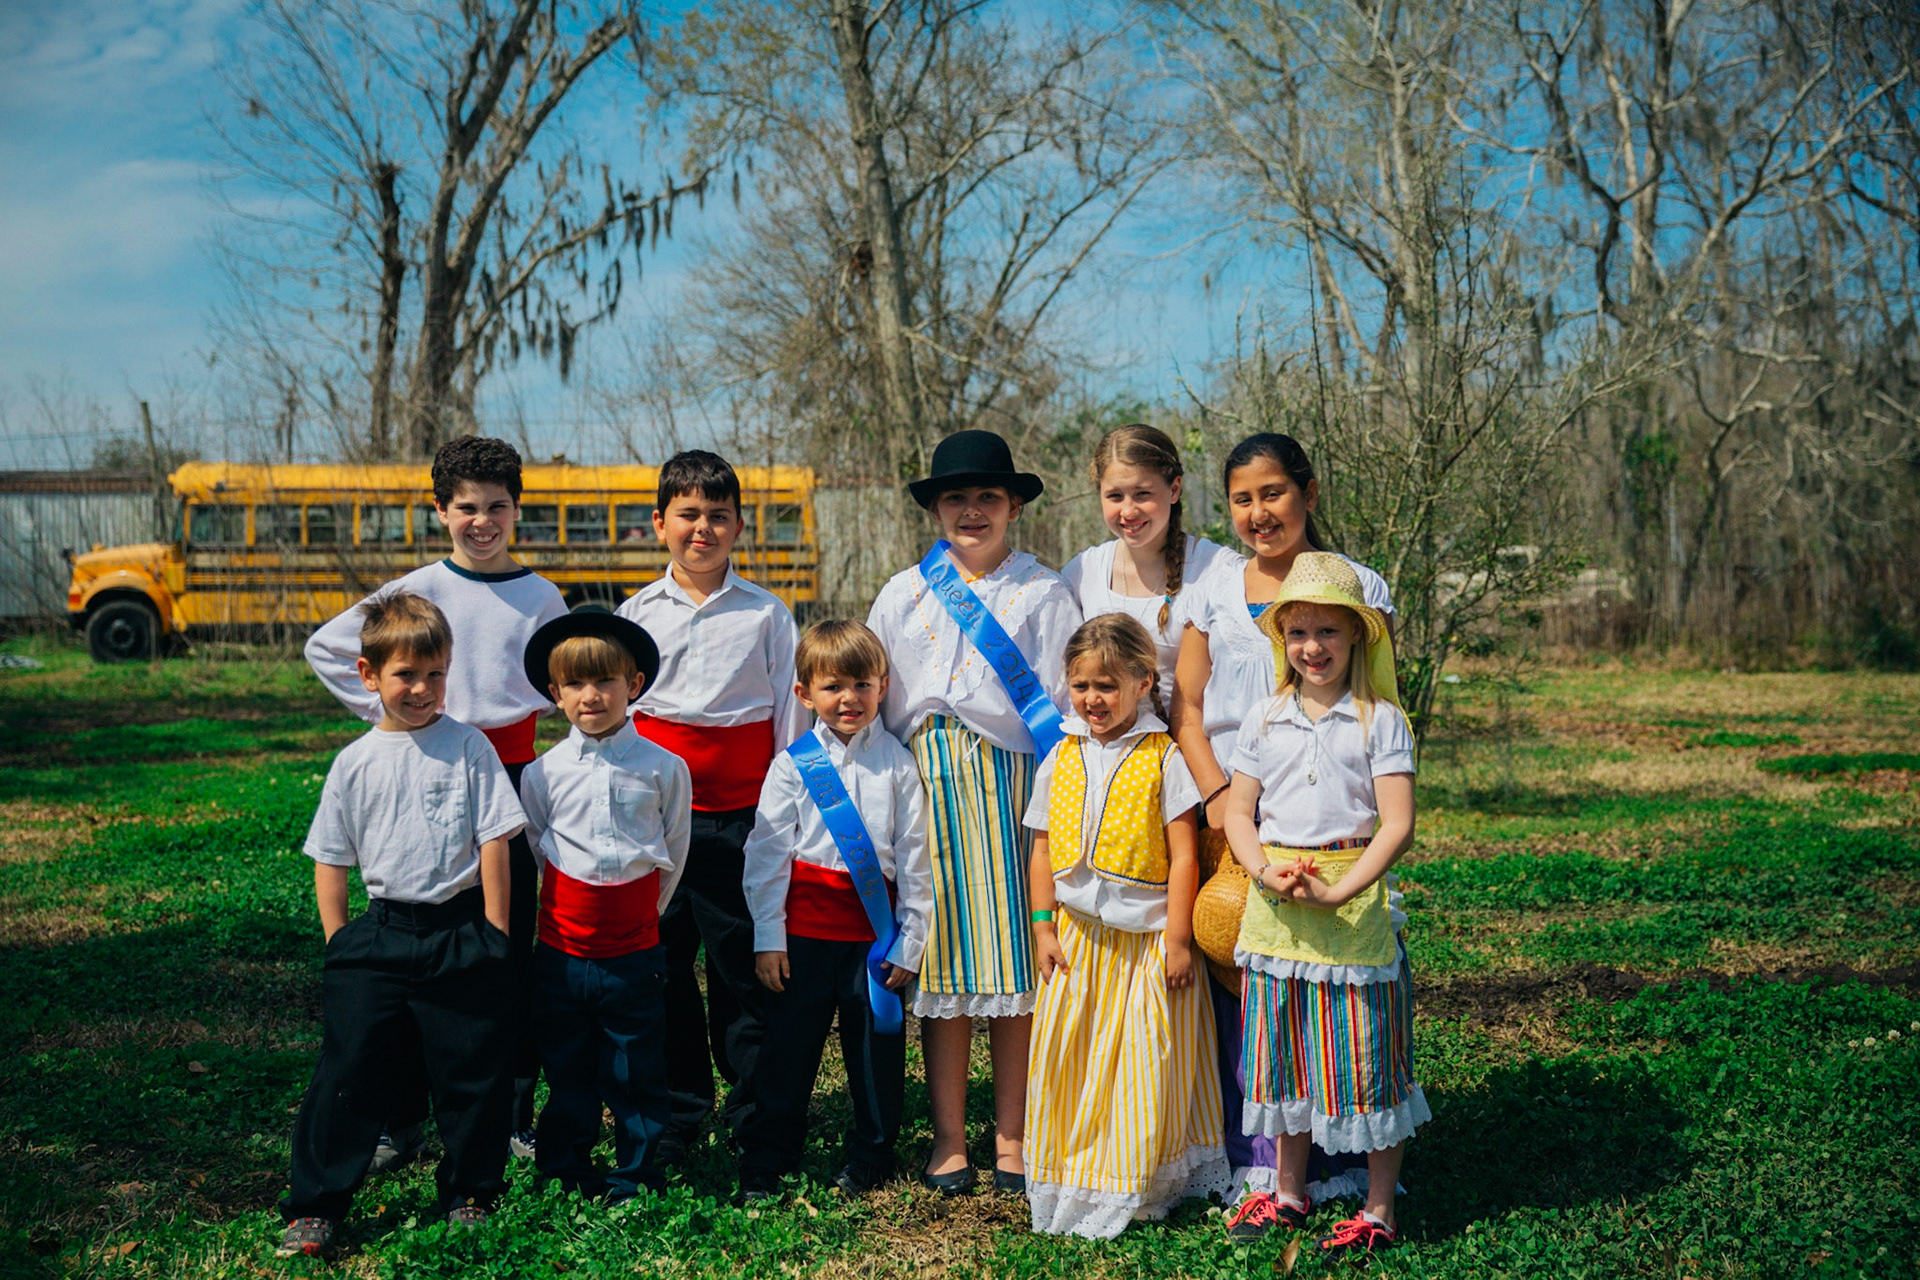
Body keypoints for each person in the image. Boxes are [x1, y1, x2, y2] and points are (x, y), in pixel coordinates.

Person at [304, 435, 565, 1165]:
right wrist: (396, 725)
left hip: (509, 782)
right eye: (465, 508)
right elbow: (328, 647)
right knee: (421, 954)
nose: (482, 522)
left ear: (517, 510)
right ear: (441, 511)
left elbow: (567, 679)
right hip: (429, 776)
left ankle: (511, 1110)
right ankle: (401, 1114)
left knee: (505, 951)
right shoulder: (420, 587)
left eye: (497, 507)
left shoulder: (542, 597)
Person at [1169, 432, 1395, 1204]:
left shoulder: (1359, 586)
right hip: (1236, 812)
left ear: (1307, 493)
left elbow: (1379, 706)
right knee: (1247, 986)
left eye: (1273, 493)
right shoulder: (1213, 590)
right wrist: (1221, 806)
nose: (1259, 513)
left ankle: (1345, 1159)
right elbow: (1189, 708)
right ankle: (1257, 1160)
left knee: (1338, 986)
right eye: (1242, 498)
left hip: (1335, 819)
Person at [276, 592, 525, 1259]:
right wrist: (340, 942)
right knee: (350, 1073)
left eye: (435, 674)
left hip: (460, 933)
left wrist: (496, 930)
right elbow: (331, 859)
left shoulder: (469, 747)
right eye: (405, 675)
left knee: (470, 1071)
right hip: (379, 936)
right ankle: (317, 1205)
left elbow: (496, 840)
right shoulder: (354, 763)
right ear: (369, 676)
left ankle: (471, 1193)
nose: (422, 689)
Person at [866, 429, 1081, 1194]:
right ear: (935, 509)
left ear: (1014, 505)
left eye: (988, 496)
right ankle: (948, 1137)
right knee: (944, 966)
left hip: (1013, 791)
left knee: (1017, 968)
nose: (972, 510)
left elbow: (1064, 707)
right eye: (955, 497)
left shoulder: (1045, 591)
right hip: (926, 790)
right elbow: (876, 704)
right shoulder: (903, 593)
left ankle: (1013, 1135)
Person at [1221, 553, 1424, 1260]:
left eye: (1328, 633)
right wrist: (1262, 870)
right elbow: (1239, 814)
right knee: (1280, 1055)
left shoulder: (1379, 719)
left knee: (1363, 1056)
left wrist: (1343, 888)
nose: (1312, 647)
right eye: (1298, 632)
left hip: (1351, 902)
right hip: (1277, 901)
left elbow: (1396, 822)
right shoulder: (1266, 716)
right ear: (1282, 640)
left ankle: (1378, 1207)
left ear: (1357, 638)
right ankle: (1286, 1192)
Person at [615, 450, 808, 1157]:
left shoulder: (766, 615)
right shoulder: (634, 614)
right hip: (659, 824)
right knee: (663, 966)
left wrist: (783, 814)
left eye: (718, 517)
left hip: (742, 822)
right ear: (660, 523)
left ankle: (754, 1111)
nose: (703, 530)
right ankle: (677, 1110)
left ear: (739, 527)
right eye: (688, 515)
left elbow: (791, 720)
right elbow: (621, 721)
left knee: (743, 971)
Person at [1022, 615, 1230, 1238]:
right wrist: (1042, 926)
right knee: (1075, 1062)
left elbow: (1186, 853)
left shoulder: (1164, 758)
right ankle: (1079, 1173)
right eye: (1081, 684)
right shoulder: (1059, 755)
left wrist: (1177, 939)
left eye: (1107, 686)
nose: (1092, 699)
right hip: (1077, 940)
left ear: (1144, 682)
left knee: (1143, 1066)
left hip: (1146, 945)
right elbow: (1040, 851)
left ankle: (1138, 1179)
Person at [735, 620, 934, 1201]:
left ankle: (872, 1153)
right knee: (787, 1053)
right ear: (804, 694)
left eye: (863, 685)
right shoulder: (791, 764)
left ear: (883, 686)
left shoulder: (898, 763)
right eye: (833, 687)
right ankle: (768, 1156)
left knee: (875, 1050)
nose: (849, 699)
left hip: (872, 940)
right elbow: (766, 854)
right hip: (802, 939)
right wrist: (768, 936)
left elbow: (918, 858)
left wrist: (910, 940)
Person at [517, 607, 690, 1202]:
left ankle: (636, 1173)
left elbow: (673, 851)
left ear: (634, 685)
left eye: (606, 681)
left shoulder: (666, 768)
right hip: (561, 953)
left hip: (635, 950)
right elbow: (542, 849)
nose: (592, 696)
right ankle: (565, 1167)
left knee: (636, 1067)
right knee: (567, 1066)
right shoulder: (541, 774)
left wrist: (639, 919)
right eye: (575, 685)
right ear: (554, 694)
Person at [1060, 423, 1231, 707]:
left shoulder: (1216, 569)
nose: (1128, 511)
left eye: (1143, 494)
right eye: (1115, 496)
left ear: (1174, 489)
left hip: (1187, 744)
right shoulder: (1082, 572)